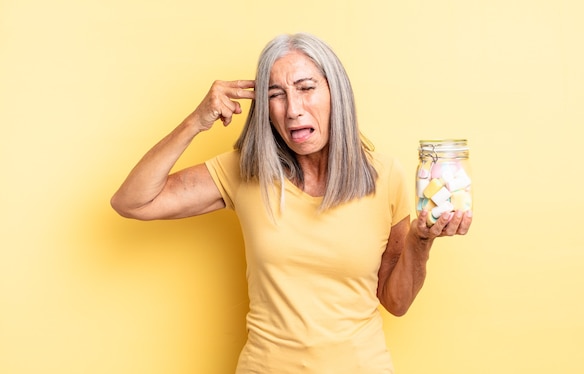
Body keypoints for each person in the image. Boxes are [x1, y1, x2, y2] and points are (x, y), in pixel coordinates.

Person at [111, 32, 472, 373]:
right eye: (275, 94)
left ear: (336, 93)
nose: (293, 109)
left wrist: (420, 242)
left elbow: (396, 302)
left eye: (306, 88)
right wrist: (195, 122)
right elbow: (133, 202)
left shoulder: (385, 175)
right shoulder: (246, 171)